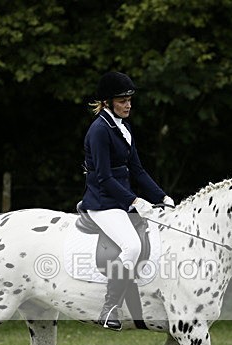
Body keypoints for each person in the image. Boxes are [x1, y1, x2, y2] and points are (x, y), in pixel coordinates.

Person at [82, 71, 174, 331]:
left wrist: (162, 196)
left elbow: (138, 170)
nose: (128, 105)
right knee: (132, 246)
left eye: (130, 100)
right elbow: (103, 177)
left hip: (120, 202)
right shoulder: (99, 130)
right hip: (102, 202)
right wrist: (135, 200)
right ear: (108, 102)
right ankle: (109, 307)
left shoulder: (122, 127)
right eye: (122, 100)